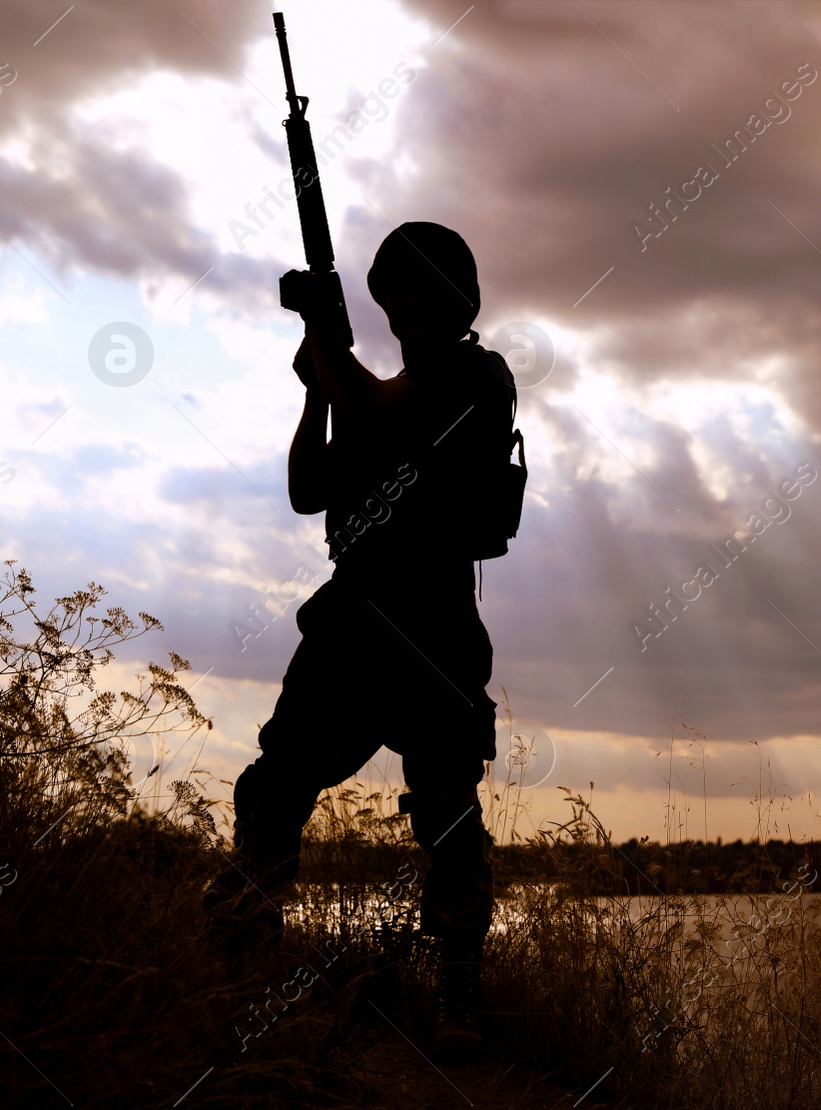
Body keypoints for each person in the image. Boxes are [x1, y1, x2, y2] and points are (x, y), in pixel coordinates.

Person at [204, 222, 515, 1057]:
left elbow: (382, 408)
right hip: (355, 620)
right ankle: (240, 953)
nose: (405, 305)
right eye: (394, 291)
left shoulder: (474, 377)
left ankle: (458, 1003)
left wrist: (324, 348)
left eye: (420, 289)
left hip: (435, 629)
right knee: (273, 788)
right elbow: (310, 489)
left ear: (457, 299)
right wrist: (316, 381)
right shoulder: (374, 395)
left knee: (447, 818)